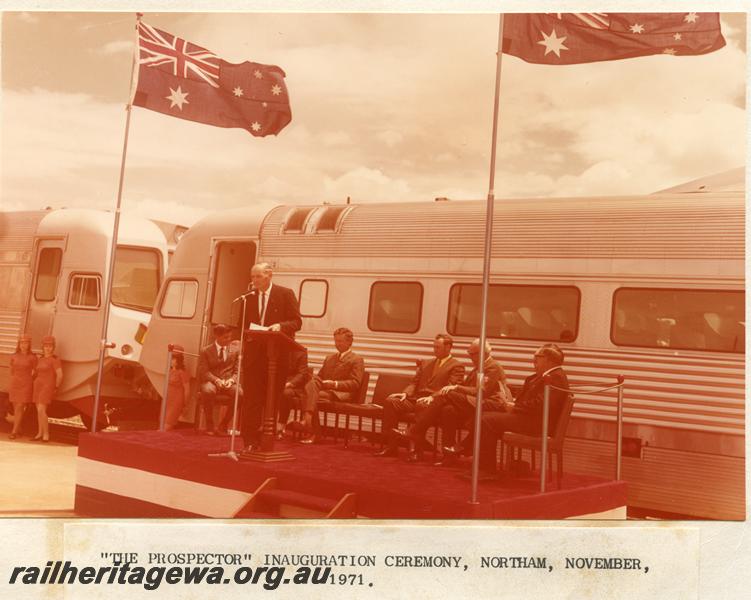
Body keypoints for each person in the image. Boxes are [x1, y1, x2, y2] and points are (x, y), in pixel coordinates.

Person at [394, 338, 511, 463]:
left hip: (489, 404)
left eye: (472, 354)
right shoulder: (480, 367)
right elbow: (472, 389)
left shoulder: (492, 367)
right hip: (476, 402)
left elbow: (481, 391)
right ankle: (449, 455)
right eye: (469, 353)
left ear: (483, 353)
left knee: (448, 393)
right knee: (448, 410)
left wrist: (455, 387)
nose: (470, 357)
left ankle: (415, 430)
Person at [477, 343, 570, 477]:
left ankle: (486, 469)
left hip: (536, 424)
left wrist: (515, 407)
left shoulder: (555, 377)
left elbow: (542, 404)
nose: (534, 362)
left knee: (487, 420)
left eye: (537, 358)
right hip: (531, 418)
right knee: (485, 412)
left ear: (548, 360)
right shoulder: (549, 375)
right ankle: (480, 462)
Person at [240, 262, 302, 451]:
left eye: (258, 276)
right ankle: (249, 441)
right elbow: (241, 325)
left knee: (271, 400)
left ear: (269, 275)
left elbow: (297, 322)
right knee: (252, 400)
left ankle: (265, 439)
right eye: (252, 277)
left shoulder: (285, 294)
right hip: (254, 358)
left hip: (276, 356)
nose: (254, 280)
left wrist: (280, 326)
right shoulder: (248, 298)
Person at [375, 333, 464, 457]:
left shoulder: (456, 366)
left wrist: (432, 397)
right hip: (415, 398)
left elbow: (449, 388)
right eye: (434, 347)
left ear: (448, 347)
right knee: (391, 402)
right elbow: (414, 382)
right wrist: (405, 393)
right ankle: (391, 446)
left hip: (434, 403)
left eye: (438, 347)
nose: (435, 350)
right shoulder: (426, 363)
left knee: (422, 405)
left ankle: (416, 451)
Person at [198, 324, 240, 435]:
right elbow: (204, 372)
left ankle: (224, 424)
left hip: (228, 382)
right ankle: (209, 424)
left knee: (239, 393)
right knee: (208, 391)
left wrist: (231, 380)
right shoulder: (205, 351)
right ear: (217, 336)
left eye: (229, 337)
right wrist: (216, 380)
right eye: (225, 337)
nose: (228, 340)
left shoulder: (235, 350)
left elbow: (237, 370)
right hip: (211, 381)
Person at [311, 328, 365, 403]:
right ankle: (309, 414)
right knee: (309, 392)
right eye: (336, 341)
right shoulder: (329, 358)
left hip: (341, 394)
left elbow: (355, 383)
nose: (337, 344)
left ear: (350, 342)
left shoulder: (357, 359)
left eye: (340, 341)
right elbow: (320, 376)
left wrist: (335, 384)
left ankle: (308, 414)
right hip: (326, 392)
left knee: (311, 395)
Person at [276, 348, 317, 444]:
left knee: (286, 393)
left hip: (295, 386)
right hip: (278, 382)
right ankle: (260, 425)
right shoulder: (275, 350)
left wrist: (289, 383)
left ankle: (281, 426)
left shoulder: (300, 352)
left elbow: (302, 374)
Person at [32, 335, 62, 442]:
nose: (48, 348)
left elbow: (60, 375)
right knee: (38, 411)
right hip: (38, 385)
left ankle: (46, 434)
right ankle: (39, 433)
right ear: (43, 347)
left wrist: (56, 387)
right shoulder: (40, 358)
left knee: (41, 409)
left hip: (47, 386)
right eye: (46, 346)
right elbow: (35, 372)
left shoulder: (55, 359)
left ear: (53, 347)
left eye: (50, 346)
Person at [8, 334, 37, 439]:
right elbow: (11, 370)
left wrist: (30, 380)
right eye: (22, 343)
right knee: (16, 407)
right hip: (15, 383)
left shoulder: (32, 357)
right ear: (19, 344)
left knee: (20, 406)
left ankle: (14, 431)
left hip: (26, 383)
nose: (24, 345)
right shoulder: (14, 356)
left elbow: (36, 372)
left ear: (29, 345)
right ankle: (19, 428)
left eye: (26, 343)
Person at [164, 345, 190, 431]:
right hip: (167, 401)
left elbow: (187, 389)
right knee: (162, 424)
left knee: (167, 426)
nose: (171, 360)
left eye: (173, 358)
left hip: (176, 402)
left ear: (179, 360)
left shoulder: (182, 372)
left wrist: (185, 405)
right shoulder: (170, 371)